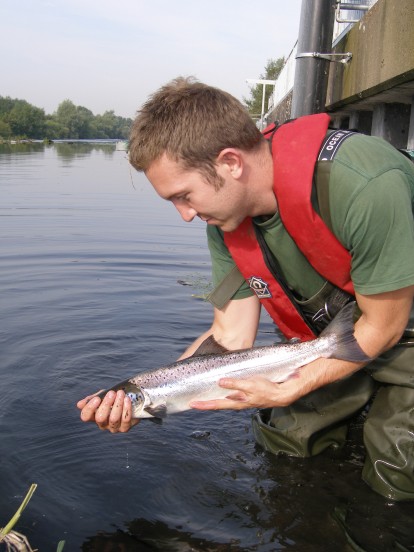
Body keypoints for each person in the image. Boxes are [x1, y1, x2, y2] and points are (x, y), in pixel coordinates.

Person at [78, 77, 414, 502]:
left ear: (231, 162)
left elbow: (383, 327)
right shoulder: (226, 217)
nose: (185, 215)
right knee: (288, 446)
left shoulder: (363, 184)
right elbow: (230, 336)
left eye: (184, 196)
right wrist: (142, 401)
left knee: (396, 472)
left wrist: (294, 385)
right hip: (334, 333)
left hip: (400, 325)